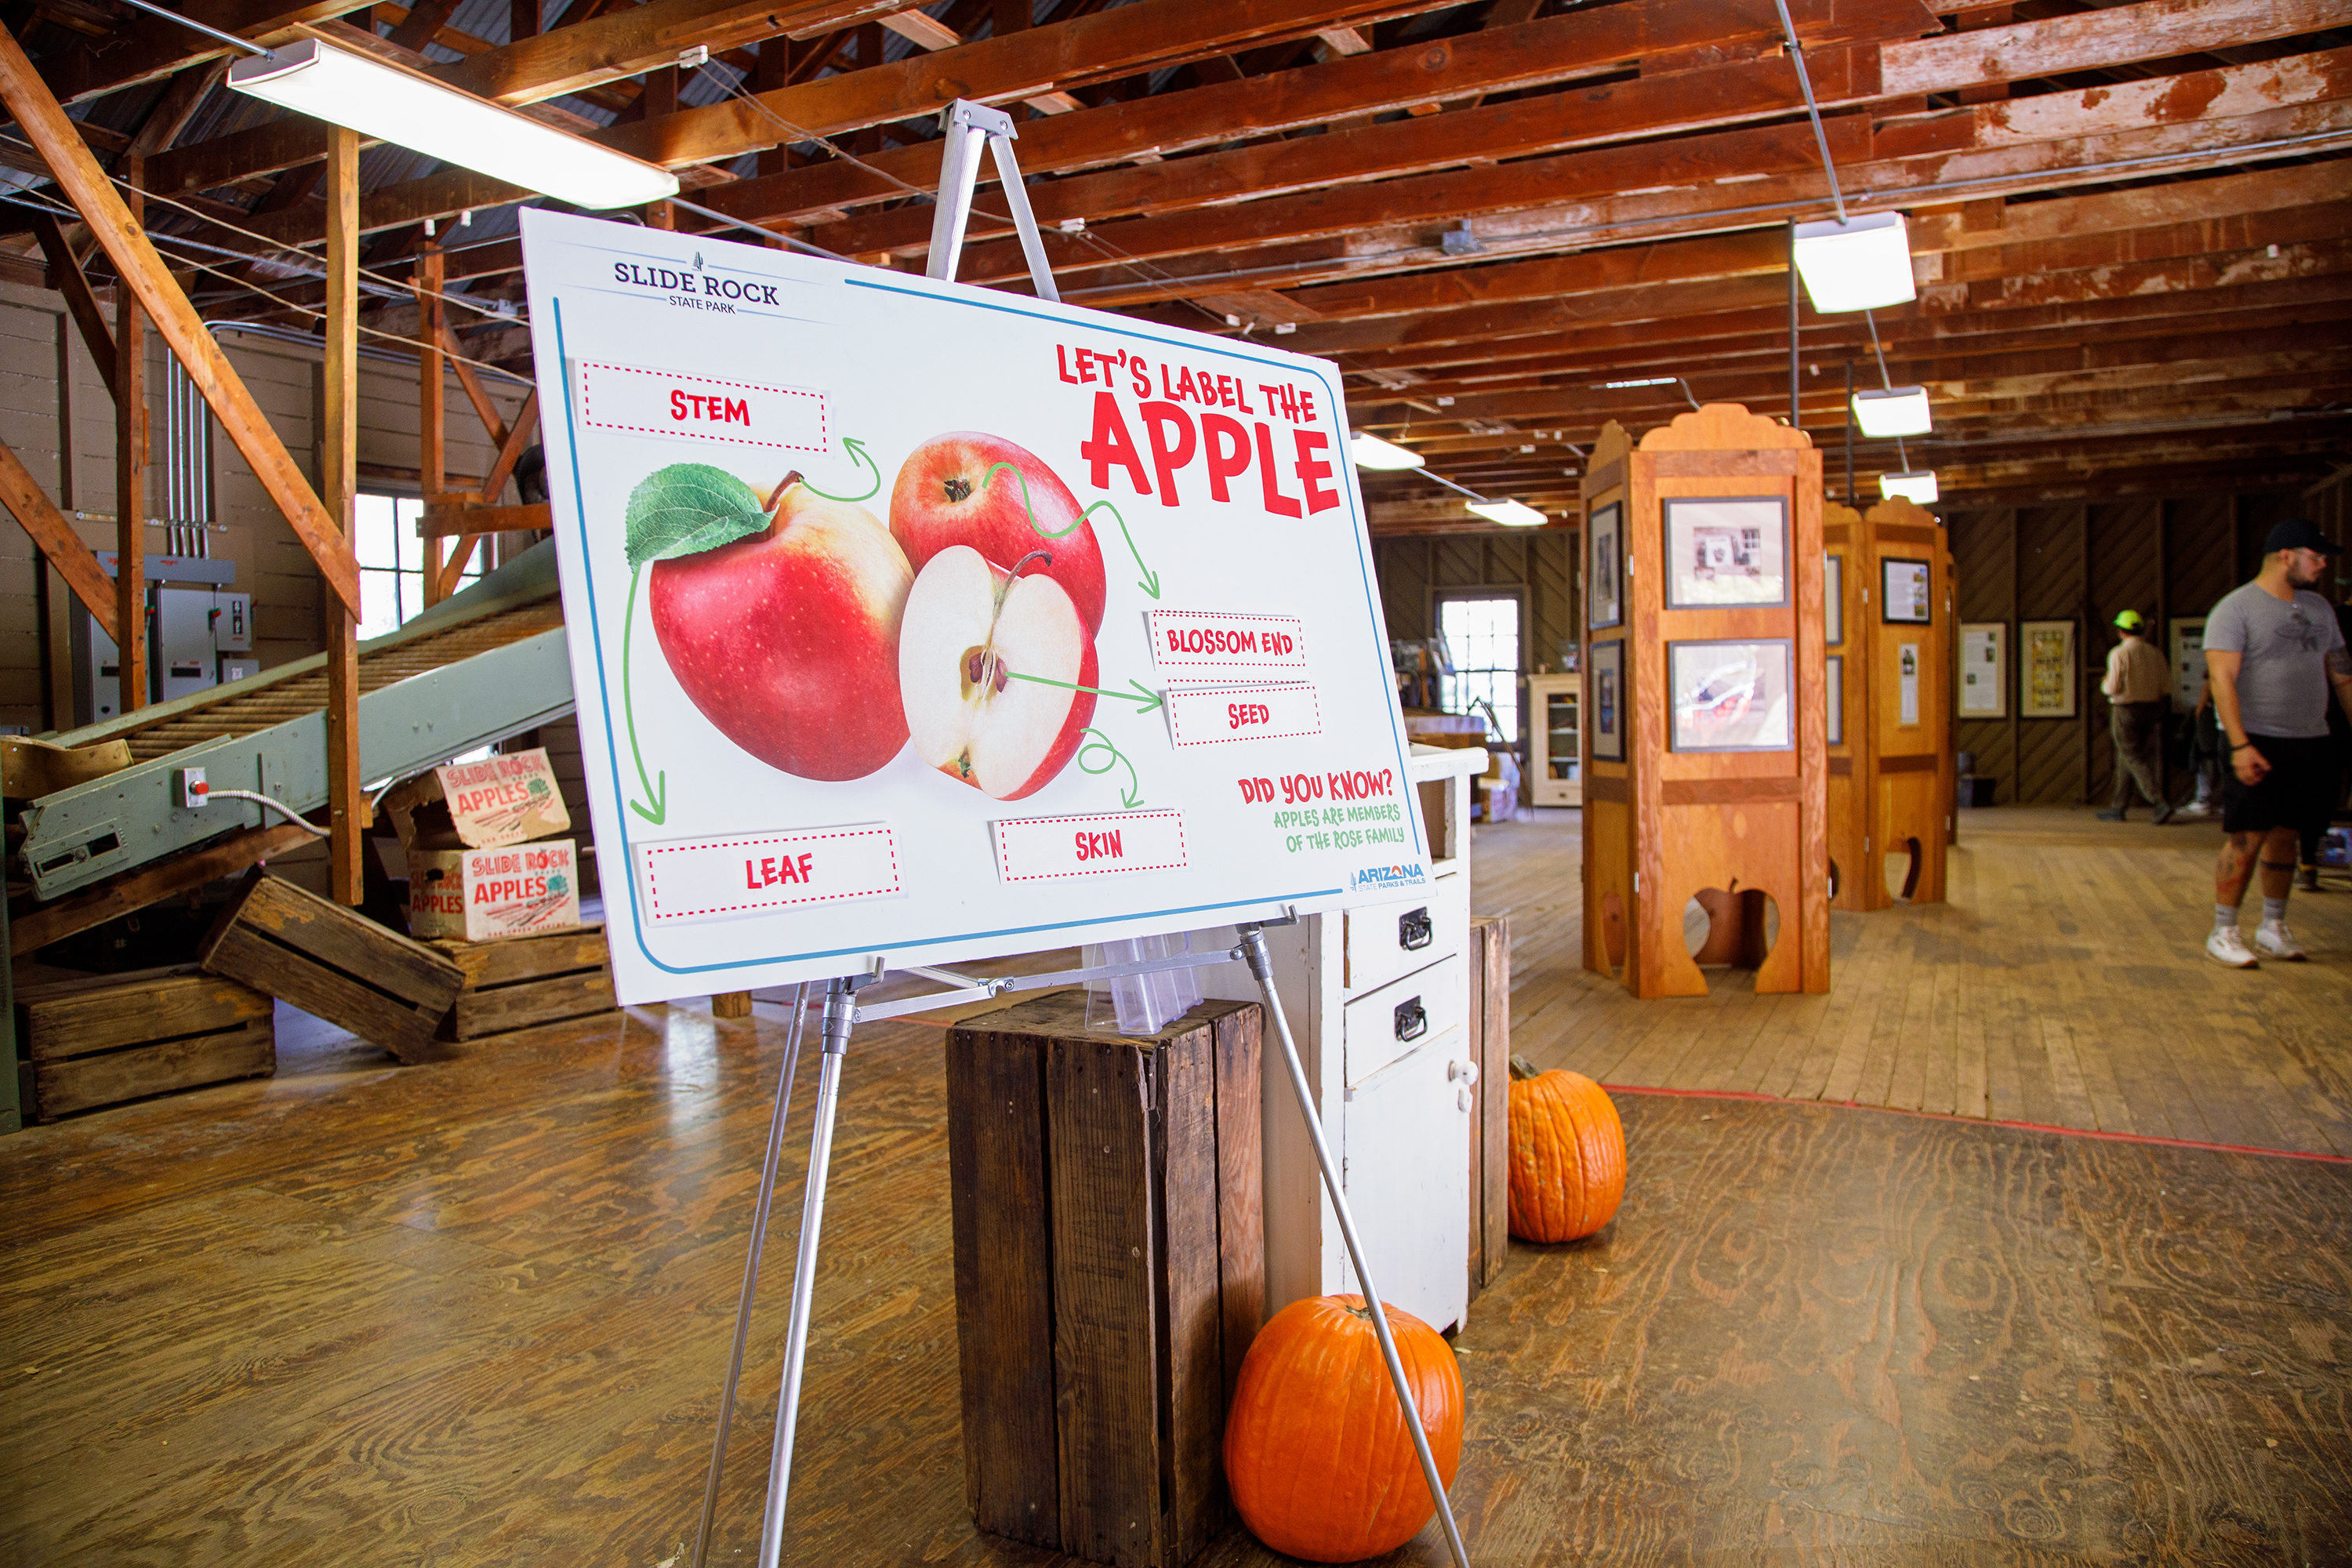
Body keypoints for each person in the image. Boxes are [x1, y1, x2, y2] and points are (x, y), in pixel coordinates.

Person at [2203, 518, 2352, 967]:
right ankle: (2224, 930)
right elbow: (2222, 679)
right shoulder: (2236, 609)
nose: (2323, 564)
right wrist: (2240, 744)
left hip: (2311, 739)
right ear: (2286, 555)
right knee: (2247, 836)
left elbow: (2342, 675)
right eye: (2316, 555)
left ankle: (2272, 926)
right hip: (2258, 739)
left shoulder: (2321, 610)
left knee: (2287, 833)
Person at [2096, 608, 2172, 823]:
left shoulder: (2119, 654)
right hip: (2152, 709)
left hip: (2126, 710)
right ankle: (2117, 807)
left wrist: (2104, 683)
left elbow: (2112, 688)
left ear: (2121, 631)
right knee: (2127, 756)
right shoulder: (2156, 653)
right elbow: (2167, 687)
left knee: (2132, 756)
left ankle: (2159, 802)